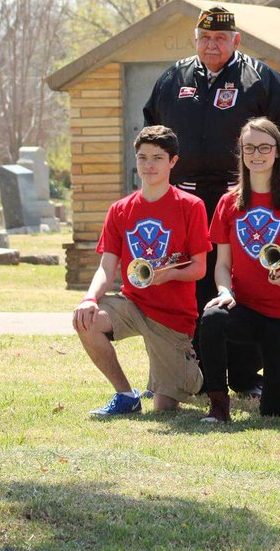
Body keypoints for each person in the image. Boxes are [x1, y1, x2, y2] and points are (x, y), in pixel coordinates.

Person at [143, 5, 280, 395]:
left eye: (220, 38)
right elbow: (152, 137)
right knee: (188, 284)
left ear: (236, 40)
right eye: (204, 38)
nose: (211, 44)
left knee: (241, 283)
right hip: (185, 202)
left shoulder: (261, 78)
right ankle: (192, 376)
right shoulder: (172, 78)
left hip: (244, 200)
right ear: (194, 40)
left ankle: (246, 377)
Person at [72, 126, 209, 416]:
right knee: (86, 320)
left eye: (157, 158)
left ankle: (185, 375)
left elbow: (199, 268)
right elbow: (106, 268)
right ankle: (125, 395)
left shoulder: (191, 206)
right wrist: (89, 298)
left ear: (173, 162)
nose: (148, 165)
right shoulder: (120, 209)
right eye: (142, 157)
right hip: (133, 303)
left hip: (173, 316)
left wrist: (169, 274)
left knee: (164, 408)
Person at [197, 118, 280, 423]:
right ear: (241, 152)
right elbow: (222, 265)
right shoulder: (228, 203)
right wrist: (225, 291)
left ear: (277, 152)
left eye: (264, 147)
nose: (257, 154)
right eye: (249, 147)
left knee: (274, 411)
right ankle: (218, 406)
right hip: (247, 311)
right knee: (212, 317)